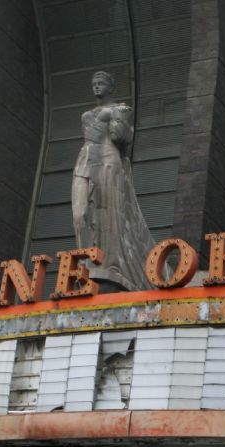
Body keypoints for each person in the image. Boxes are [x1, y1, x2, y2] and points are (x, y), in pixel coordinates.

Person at [71, 71, 153, 291]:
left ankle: (112, 264)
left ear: (110, 87)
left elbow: (120, 138)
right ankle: (85, 261)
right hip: (86, 159)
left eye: (101, 83)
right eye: (94, 83)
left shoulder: (122, 109)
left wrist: (113, 117)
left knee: (110, 216)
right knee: (81, 215)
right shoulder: (86, 115)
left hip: (109, 159)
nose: (97, 87)